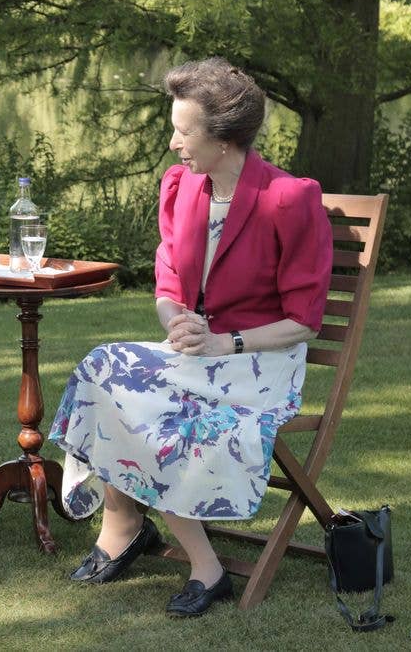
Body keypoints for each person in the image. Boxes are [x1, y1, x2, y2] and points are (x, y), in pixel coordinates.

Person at [48, 57, 333, 617]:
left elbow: (304, 320)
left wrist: (227, 343)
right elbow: (168, 281)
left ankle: (202, 565)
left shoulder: (288, 198)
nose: (173, 143)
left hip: (258, 363)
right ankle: (123, 522)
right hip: (195, 357)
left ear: (224, 139)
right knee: (104, 367)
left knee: (153, 408)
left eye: (184, 131)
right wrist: (174, 319)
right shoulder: (182, 185)